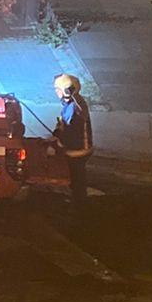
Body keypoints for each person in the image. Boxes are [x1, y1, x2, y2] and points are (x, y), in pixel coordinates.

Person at [53, 74, 94, 209]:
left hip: (78, 150)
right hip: (78, 149)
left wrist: (58, 141)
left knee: (77, 178)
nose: (55, 91)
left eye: (57, 89)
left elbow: (70, 132)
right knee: (77, 176)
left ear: (66, 91)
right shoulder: (72, 103)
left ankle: (79, 205)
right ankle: (78, 200)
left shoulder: (74, 108)